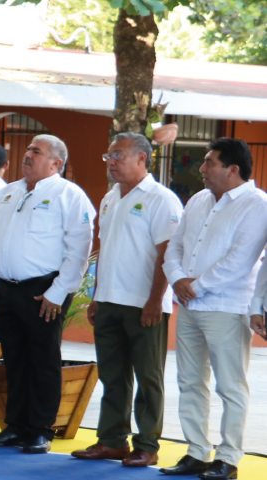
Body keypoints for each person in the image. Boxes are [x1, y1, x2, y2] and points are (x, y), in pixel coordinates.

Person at [0, 134, 95, 454]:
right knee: (14, 359)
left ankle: (40, 430)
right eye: (28, 149)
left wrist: (58, 293)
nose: (27, 155)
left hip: (44, 292)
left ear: (56, 163)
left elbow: (78, 251)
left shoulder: (69, 195)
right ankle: (15, 426)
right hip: (5, 289)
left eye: (36, 151)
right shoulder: (8, 192)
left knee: (43, 361)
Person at [70, 133, 181, 468]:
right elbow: (106, 249)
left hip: (144, 304)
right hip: (108, 301)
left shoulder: (162, 199)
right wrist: (96, 296)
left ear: (142, 159)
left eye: (118, 155)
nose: (111, 162)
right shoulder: (109, 197)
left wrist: (154, 301)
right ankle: (112, 441)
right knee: (113, 375)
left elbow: (167, 253)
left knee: (148, 378)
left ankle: (146, 445)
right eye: (108, 156)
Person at [162, 138, 267, 479]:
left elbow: (240, 260)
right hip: (190, 305)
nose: (202, 169)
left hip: (227, 306)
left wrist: (194, 286)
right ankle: (196, 452)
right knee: (190, 381)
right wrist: (177, 278)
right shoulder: (198, 199)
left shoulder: (257, 204)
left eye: (209, 163)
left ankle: (229, 458)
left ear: (233, 169)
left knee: (230, 386)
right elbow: (174, 246)